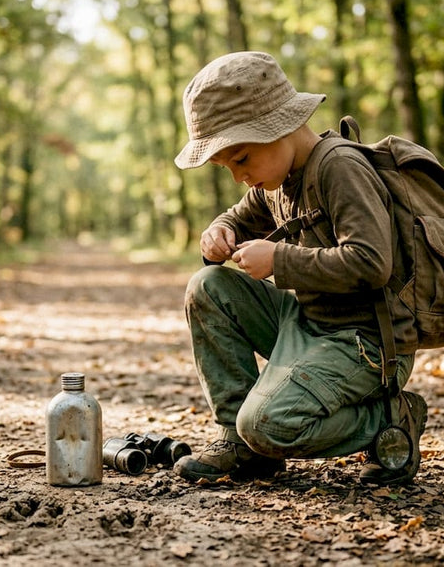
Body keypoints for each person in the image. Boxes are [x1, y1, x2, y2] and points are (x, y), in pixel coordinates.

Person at [170, 51, 427, 486]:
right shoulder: (277, 179)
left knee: (266, 426)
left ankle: (390, 418)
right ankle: (239, 445)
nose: (238, 176)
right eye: (228, 166)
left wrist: (279, 261)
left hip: (366, 344)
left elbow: (371, 262)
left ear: (277, 128)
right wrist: (218, 230)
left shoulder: (339, 167)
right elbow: (238, 216)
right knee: (208, 285)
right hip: (311, 328)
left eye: (241, 159)